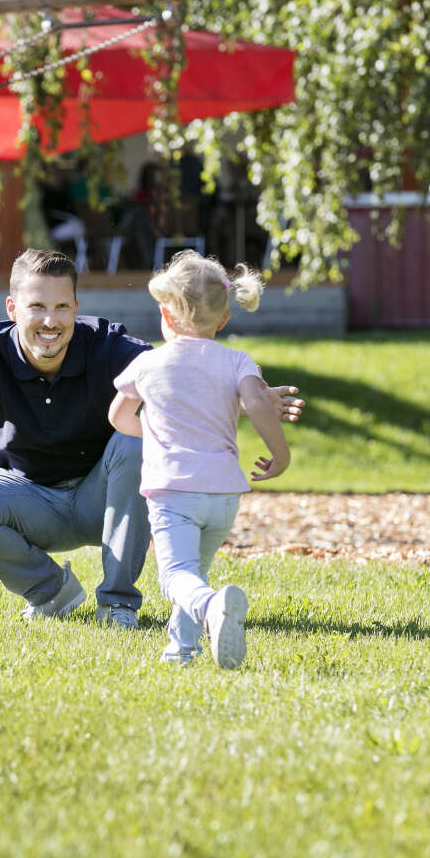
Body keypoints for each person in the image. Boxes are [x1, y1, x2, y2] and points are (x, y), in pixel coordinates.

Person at [0, 247, 305, 629]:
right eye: (37, 307)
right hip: (28, 498)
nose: (50, 321)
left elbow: (181, 380)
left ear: (76, 307)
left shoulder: (107, 345)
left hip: (102, 496)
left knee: (135, 440)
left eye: (62, 308)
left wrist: (248, 400)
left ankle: (118, 606)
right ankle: (52, 592)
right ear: (13, 307)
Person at [107, 251, 291, 669]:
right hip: (224, 494)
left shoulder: (148, 363)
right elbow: (259, 404)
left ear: (166, 316)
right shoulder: (237, 360)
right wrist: (281, 454)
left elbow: (118, 416)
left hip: (174, 491)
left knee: (176, 578)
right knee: (195, 571)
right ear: (224, 318)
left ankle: (210, 611)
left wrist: (151, 437)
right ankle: (181, 650)